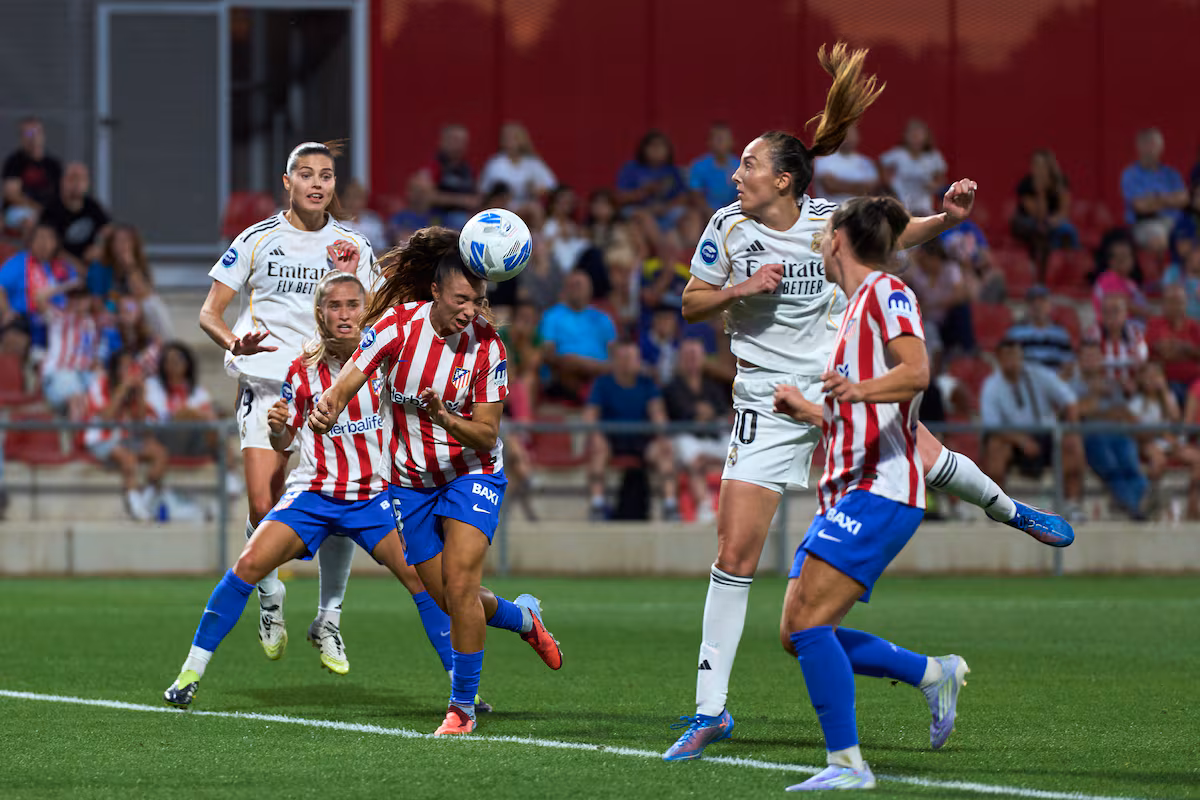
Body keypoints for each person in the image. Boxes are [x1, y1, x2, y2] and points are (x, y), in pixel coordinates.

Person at [662, 42, 1072, 765]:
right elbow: (691, 302)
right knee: (733, 555)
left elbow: (894, 234)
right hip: (765, 398)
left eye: (749, 164)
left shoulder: (828, 219)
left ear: (783, 179)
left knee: (926, 457)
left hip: (835, 387)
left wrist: (946, 220)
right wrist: (741, 289)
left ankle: (1011, 510)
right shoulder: (727, 227)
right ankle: (709, 711)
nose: (736, 173)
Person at [163, 272, 467, 706]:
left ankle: (464, 689)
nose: (344, 314)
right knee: (247, 564)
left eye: (352, 305)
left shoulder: (386, 361)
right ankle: (189, 672)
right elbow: (284, 442)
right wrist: (277, 430)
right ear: (320, 314)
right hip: (314, 493)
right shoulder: (302, 370)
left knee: (425, 582)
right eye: (334, 306)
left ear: (366, 310)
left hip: (374, 497)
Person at [310, 226, 563, 736]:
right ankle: (523, 619)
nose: (470, 311)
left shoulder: (489, 348)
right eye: (461, 300)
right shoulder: (397, 326)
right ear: (435, 293)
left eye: (479, 300)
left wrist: (445, 417)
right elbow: (350, 377)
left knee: (462, 585)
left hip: (472, 473)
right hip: (410, 483)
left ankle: (462, 708)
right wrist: (328, 406)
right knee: (448, 598)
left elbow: (487, 433)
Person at [771, 196, 969, 791]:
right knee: (796, 632)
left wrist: (855, 391)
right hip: (847, 490)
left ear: (837, 239)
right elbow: (860, 414)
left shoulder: (887, 291)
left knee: (809, 625)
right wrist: (810, 409)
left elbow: (916, 372)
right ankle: (931, 673)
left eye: (824, 231)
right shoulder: (854, 307)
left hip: (881, 488)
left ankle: (847, 764)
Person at [198, 141, 378, 667]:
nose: (316, 183)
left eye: (326, 175)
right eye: (306, 174)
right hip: (268, 386)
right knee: (262, 505)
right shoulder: (257, 239)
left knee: (342, 508)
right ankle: (271, 596)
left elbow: (378, 311)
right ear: (287, 181)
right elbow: (209, 312)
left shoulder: (353, 245)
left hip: (332, 388)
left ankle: (329, 619)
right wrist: (234, 342)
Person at [979, 338, 1085, 512]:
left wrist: (1070, 428)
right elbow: (992, 425)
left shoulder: (1039, 374)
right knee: (995, 446)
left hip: (1046, 434)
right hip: (1012, 439)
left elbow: (1070, 401)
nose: (1012, 361)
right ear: (998, 359)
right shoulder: (991, 386)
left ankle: (1072, 504)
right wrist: (1021, 441)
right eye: (1007, 356)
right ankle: (997, 507)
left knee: (1072, 442)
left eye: (1015, 355)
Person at [583, 339, 678, 521]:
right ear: (615, 361)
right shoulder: (602, 384)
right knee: (597, 450)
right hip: (611, 440)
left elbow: (657, 413)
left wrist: (663, 436)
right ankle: (597, 505)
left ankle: (670, 505)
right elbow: (590, 415)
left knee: (664, 453)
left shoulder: (647, 384)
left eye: (631, 358)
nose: (627, 363)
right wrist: (596, 435)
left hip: (642, 440)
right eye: (623, 358)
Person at [84, 348, 169, 521]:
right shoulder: (100, 383)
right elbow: (106, 418)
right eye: (124, 366)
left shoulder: (138, 388)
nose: (129, 371)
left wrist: (140, 395)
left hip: (127, 438)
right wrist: (123, 388)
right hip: (102, 438)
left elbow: (141, 424)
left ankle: (145, 500)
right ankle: (136, 508)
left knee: (160, 454)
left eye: (131, 366)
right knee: (128, 458)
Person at [1070, 340, 1148, 520]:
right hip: (1092, 437)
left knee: (1132, 469)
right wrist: (1096, 397)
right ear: (1079, 360)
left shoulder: (1112, 384)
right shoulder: (1071, 385)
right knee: (1113, 469)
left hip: (1119, 435)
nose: (1091, 361)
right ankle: (1135, 508)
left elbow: (1121, 413)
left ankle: (1132, 505)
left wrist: (1096, 411)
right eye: (1087, 357)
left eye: (1095, 357)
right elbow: (1076, 412)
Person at [664, 337, 731, 523]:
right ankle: (704, 505)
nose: (692, 360)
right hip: (686, 438)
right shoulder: (672, 387)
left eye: (695, 356)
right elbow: (681, 413)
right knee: (690, 453)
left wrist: (703, 414)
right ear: (680, 359)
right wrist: (702, 413)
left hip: (714, 437)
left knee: (741, 454)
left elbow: (720, 411)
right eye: (687, 356)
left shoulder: (712, 386)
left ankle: (745, 507)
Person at [1127, 361, 1200, 520]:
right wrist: (1162, 435)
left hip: (1169, 442)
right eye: (1148, 376)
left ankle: (1193, 505)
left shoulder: (1169, 397)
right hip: (1148, 443)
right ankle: (1149, 502)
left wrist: (1165, 391)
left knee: (1197, 459)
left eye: (1156, 376)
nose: (1152, 380)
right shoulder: (1135, 403)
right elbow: (1139, 432)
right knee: (1158, 461)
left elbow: (1175, 419)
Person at [537, 269, 616, 401]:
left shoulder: (602, 318)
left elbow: (614, 350)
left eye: (579, 285)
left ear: (590, 290)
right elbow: (548, 353)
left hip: (600, 372)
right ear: (565, 290)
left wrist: (591, 365)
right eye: (572, 285)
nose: (576, 289)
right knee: (569, 363)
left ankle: (591, 398)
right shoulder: (552, 316)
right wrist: (578, 363)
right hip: (567, 371)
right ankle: (591, 399)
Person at [1120, 128, 1188, 253]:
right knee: (1159, 240)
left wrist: (1156, 199)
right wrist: (1170, 200)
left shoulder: (1171, 174)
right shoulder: (1130, 174)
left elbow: (1184, 199)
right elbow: (1140, 206)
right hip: (1146, 223)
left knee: (1190, 238)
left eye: (1154, 145)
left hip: (1176, 222)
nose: (1150, 149)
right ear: (1138, 147)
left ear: (1161, 148)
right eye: (1146, 144)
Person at [1009, 149, 1078, 267]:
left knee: (1068, 230)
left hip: (1053, 221)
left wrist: (1055, 220)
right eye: (1036, 164)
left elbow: (1064, 212)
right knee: (1040, 231)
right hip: (1027, 221)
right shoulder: (1026, 184)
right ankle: (1038, 268)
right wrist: (1041, 192)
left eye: (1043, 165)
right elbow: (1038, 215)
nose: (1039, 169)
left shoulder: (1060, 182)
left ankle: (1069, 266)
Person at [39, 163, 110, 266]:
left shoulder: (93, 206)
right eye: (72, 179)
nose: (77, 184)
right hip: (59, 265)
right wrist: (77, 265)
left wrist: (99, 247)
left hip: (91, 261)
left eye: (82, 179)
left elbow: (108, 230)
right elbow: (47, 246)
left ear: (87, 184)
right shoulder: (51, 209)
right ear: (62, 182)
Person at [2, 117, 62, 234]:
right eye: (28, 133)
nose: (33, 137)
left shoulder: (53, 164)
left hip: (49, 210)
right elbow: (13, 195)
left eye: (36, 132)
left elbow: (60, 194)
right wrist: (38, 208)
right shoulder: (14, 162)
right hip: (20, 210)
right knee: (29, 221)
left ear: (43, 135)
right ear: (21, 138)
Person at [1145, 283, 1200, 407]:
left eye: (1179, 302)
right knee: (1175, 392)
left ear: (1186, 304)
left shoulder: (1195, 326)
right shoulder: (1154, 324)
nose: (1175, 306)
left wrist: (1184, 348)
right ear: (1163, 304)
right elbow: (1164, 353)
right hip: (1166, 382)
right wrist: (1189, 353)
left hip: (1195, 381)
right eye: (1171, 301)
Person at [478, 122, 556, 208]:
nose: (510, 141)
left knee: (535, 208)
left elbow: (551, 186)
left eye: (514, 138)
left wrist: (535, 190)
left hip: (526, 206)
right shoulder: (495, 163)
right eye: (506, 138)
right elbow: (483, 190)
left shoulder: (532, 162)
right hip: (502, 207)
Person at [880, 118, 946, 215]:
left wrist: (934, 186)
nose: (915, 137)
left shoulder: (933, 156)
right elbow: (881, 165)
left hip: (924, 206)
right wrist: (889, 184)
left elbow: (941, 178)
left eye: (919, 134)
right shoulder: (897, 154)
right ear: (905, 136)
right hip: (900, 204)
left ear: (926, 136)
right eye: (912, 134)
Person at [1004, 285, 1074, 373]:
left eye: (1042, 301)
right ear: (1027, 306)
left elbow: (1068, 364)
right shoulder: (1015, 333)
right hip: (1025, 380)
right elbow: (1009, 364)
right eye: (1032, 301)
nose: (1037, 305)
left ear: (1050, 305)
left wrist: (1056, 381)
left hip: (1053, 379)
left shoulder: (1060, 334)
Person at [421, 124, 479, 230]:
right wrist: (461, 200)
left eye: (463, 141)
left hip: (466, 216)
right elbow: (428, 197)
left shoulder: (468, 169)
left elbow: (476, 197)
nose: (459, 145)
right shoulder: (434, 166)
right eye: (455, 140)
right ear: (442, 141)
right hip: (439, 218)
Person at [812, 123, 879, 205]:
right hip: (831, 210)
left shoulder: (866, 162)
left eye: (851, 133)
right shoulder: (823, 160)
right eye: (845, 134)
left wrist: (842, 184)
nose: (849, 138)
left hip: (860, 210)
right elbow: (831, 187)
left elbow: (872, 189)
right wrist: (859, 187)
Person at [1092, 239, 1150, 320]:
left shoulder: (1130, 283)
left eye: (1128, 256)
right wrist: (1146, 313)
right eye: (1122, 257)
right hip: (1112, 325)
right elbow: (1123, 303)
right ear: (1112, 261)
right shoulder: (1106, 279)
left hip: (1132, 324)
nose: (1127, 260)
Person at [688, 122, 739, 213]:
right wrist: (709, 212)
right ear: (709, 142)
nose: (721, 142)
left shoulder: (739, 166)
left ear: (732, 142)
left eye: (724, 138)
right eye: (717, 138)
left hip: (733, 211)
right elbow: (695, 194)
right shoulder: (699, 165)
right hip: (706, 212)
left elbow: (744, 193)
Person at [340, 179, 386, 250]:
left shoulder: (373, 220)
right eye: (348, 197)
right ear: (342, 200)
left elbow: (381, 247)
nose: (352, 201)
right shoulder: (337, 222)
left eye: (357, 197)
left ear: (365, 200)